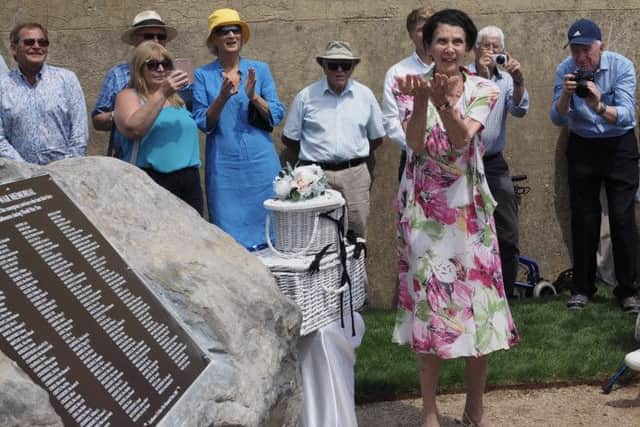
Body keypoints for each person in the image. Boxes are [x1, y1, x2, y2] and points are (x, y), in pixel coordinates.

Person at [392, 9, 519, 427]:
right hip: (425, 213)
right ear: (427, 45)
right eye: (440, 41)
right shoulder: (405, 85)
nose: (448, 48)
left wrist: (444, 100)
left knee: (477, 310)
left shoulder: (485, 87)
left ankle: (473, 408)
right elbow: (415, 144)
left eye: (457, 41)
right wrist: (424, 97)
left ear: (468, 47)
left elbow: (463, 136)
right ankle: (429, 411)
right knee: (429, 311)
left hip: (468, 212)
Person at [550, 18, 640, 313]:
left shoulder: (621, 66)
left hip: (619, 146)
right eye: (575, 49)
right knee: (584, 218)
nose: (580, 57)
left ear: (601, 45)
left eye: (586, 49)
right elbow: (557, 118)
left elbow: (627, 115)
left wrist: (599, 105)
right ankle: (582, 288)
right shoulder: (566, 69)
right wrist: (565, 94)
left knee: (623, 217)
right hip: (583, 146)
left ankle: (628, 290)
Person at [192, 8, 284, 250]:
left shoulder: (259, 69)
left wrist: (254, 96)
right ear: (214, 39)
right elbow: (202, 122)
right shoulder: (202, 75)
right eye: (223, 31)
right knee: (229, 241)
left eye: (236, 30)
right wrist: (222, 97)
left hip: (262, 164)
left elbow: (276, 112)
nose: (231, 35)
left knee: (272, 233)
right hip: (224, 169)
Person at [282, 41, 385, 243]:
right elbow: (289, 138)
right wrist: (316, 158)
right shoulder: (306, 97)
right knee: (316, 235)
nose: (339, 70)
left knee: (356, 234)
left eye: (345, 65)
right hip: (315, 175)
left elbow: (377, 137)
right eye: (333, 64)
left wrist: (352, 154)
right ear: (324, 66)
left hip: (355, 175)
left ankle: (354, 275)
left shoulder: (365, 96)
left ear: (353, 67)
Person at [468, 26, 529, 298]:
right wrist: (481, 78)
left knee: (506, 230)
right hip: (465, 162)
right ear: (475, 49)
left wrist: (519, 81)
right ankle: (470, 292)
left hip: (493, 162)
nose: (491, 52)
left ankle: (504, 291)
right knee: (466, 229)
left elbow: (519, 110)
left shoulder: (505, 79)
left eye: (496, 47)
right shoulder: (464, 77)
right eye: (486, 46)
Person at [113, 41, 202, 214]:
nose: (161, 69)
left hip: (189, 180)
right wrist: (161, 93)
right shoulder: (128, 96)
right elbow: (134, 129)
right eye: (153, 65)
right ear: (140, 69)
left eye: (165, 64)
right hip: (152, 180)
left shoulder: (178, 100)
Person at [93, 10, 187, 158]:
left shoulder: (175, 73)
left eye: (161, 36)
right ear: (134, 39)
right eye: (149, 36)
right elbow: (98, 121)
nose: (156, 41)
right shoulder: (118, 74)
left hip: (171, 157)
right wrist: (121, 115)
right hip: (130, 158)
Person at [0, 22, 88, 164]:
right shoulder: (2, 86)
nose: (36, 46)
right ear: (14, 48)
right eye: (29, 42)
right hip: (20, 177)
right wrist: (27, 170)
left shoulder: (67, 79)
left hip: (65, 173)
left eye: (43, 42)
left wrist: (66, 167)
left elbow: (79, 133)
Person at [382, 7, 433, 181]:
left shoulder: (451, 69)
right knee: (411, 208)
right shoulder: (397, 72)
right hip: (412, 159)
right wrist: (414, 147)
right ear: (411, 35)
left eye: (431, 28)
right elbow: (390, 119)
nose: (426, 34)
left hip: (450, 159)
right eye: (420, 30)